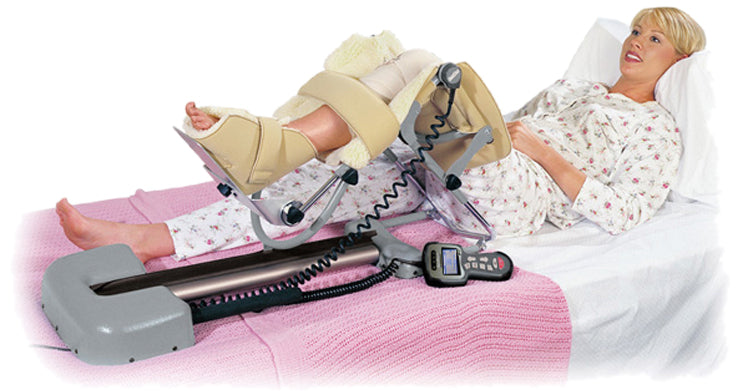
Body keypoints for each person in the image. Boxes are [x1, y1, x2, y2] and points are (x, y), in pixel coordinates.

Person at [56, 7, 706, 263]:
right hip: (469, 170)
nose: (636, 42)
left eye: (655, 38)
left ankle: (276, 138)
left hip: (519, 196)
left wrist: (538, 150)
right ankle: (152, 237)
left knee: (430, 68)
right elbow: (507, 124)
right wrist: (511, 132)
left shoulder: (656, 129)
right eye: (636, 30)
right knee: (322, 175)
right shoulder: (575, 89)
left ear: (679, 62)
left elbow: (625, 212)